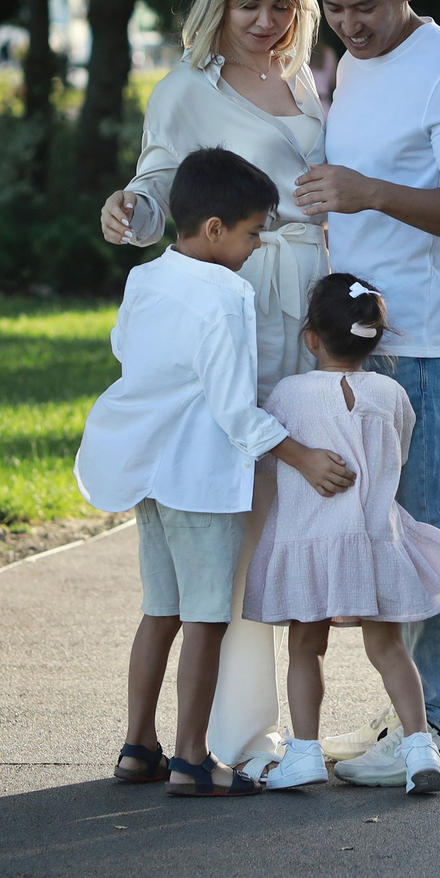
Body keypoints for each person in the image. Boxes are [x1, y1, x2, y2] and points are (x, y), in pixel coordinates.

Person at [98, 0, 329, 771]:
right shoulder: (187, 88)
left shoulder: (311, 81)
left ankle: (289, 728)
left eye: (280, 5)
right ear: (218, 4)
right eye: (247, 7)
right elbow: (161, 184)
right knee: (243, 516)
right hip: (246, 304)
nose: (264, 23)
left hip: (315, 302)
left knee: (295, 524)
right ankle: (239, 735)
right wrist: (132, 210)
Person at [291, 0, 440, 788]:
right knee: (382, 532)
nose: (349, 23)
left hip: (418, 342)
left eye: (367, 6)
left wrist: (369, 192)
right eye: (334, 8)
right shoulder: (353, 62)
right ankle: (411, 714)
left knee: (424, 528)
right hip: (357, 340)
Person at [74, 146, 356, 797]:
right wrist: (304, 456)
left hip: (149, 469)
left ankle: (137, 744)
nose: (258, 246)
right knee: (205, 618)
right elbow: (235, 409)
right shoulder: (227, 295)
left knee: (160, 610)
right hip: (199, 479)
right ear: (214, 230)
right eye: (254, 232)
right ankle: (193, 757)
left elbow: (126, 349)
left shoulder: (144, 279)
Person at [243, 275, 440, 794]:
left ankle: (303, 753)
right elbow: (404, 449)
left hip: (308, 541)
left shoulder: (288, 394)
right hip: (374, 542)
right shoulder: (392, 393)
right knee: (390, 648)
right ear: (375, 338)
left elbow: (263, 451)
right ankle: (421, 748)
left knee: (306, 648)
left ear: (311, 338)